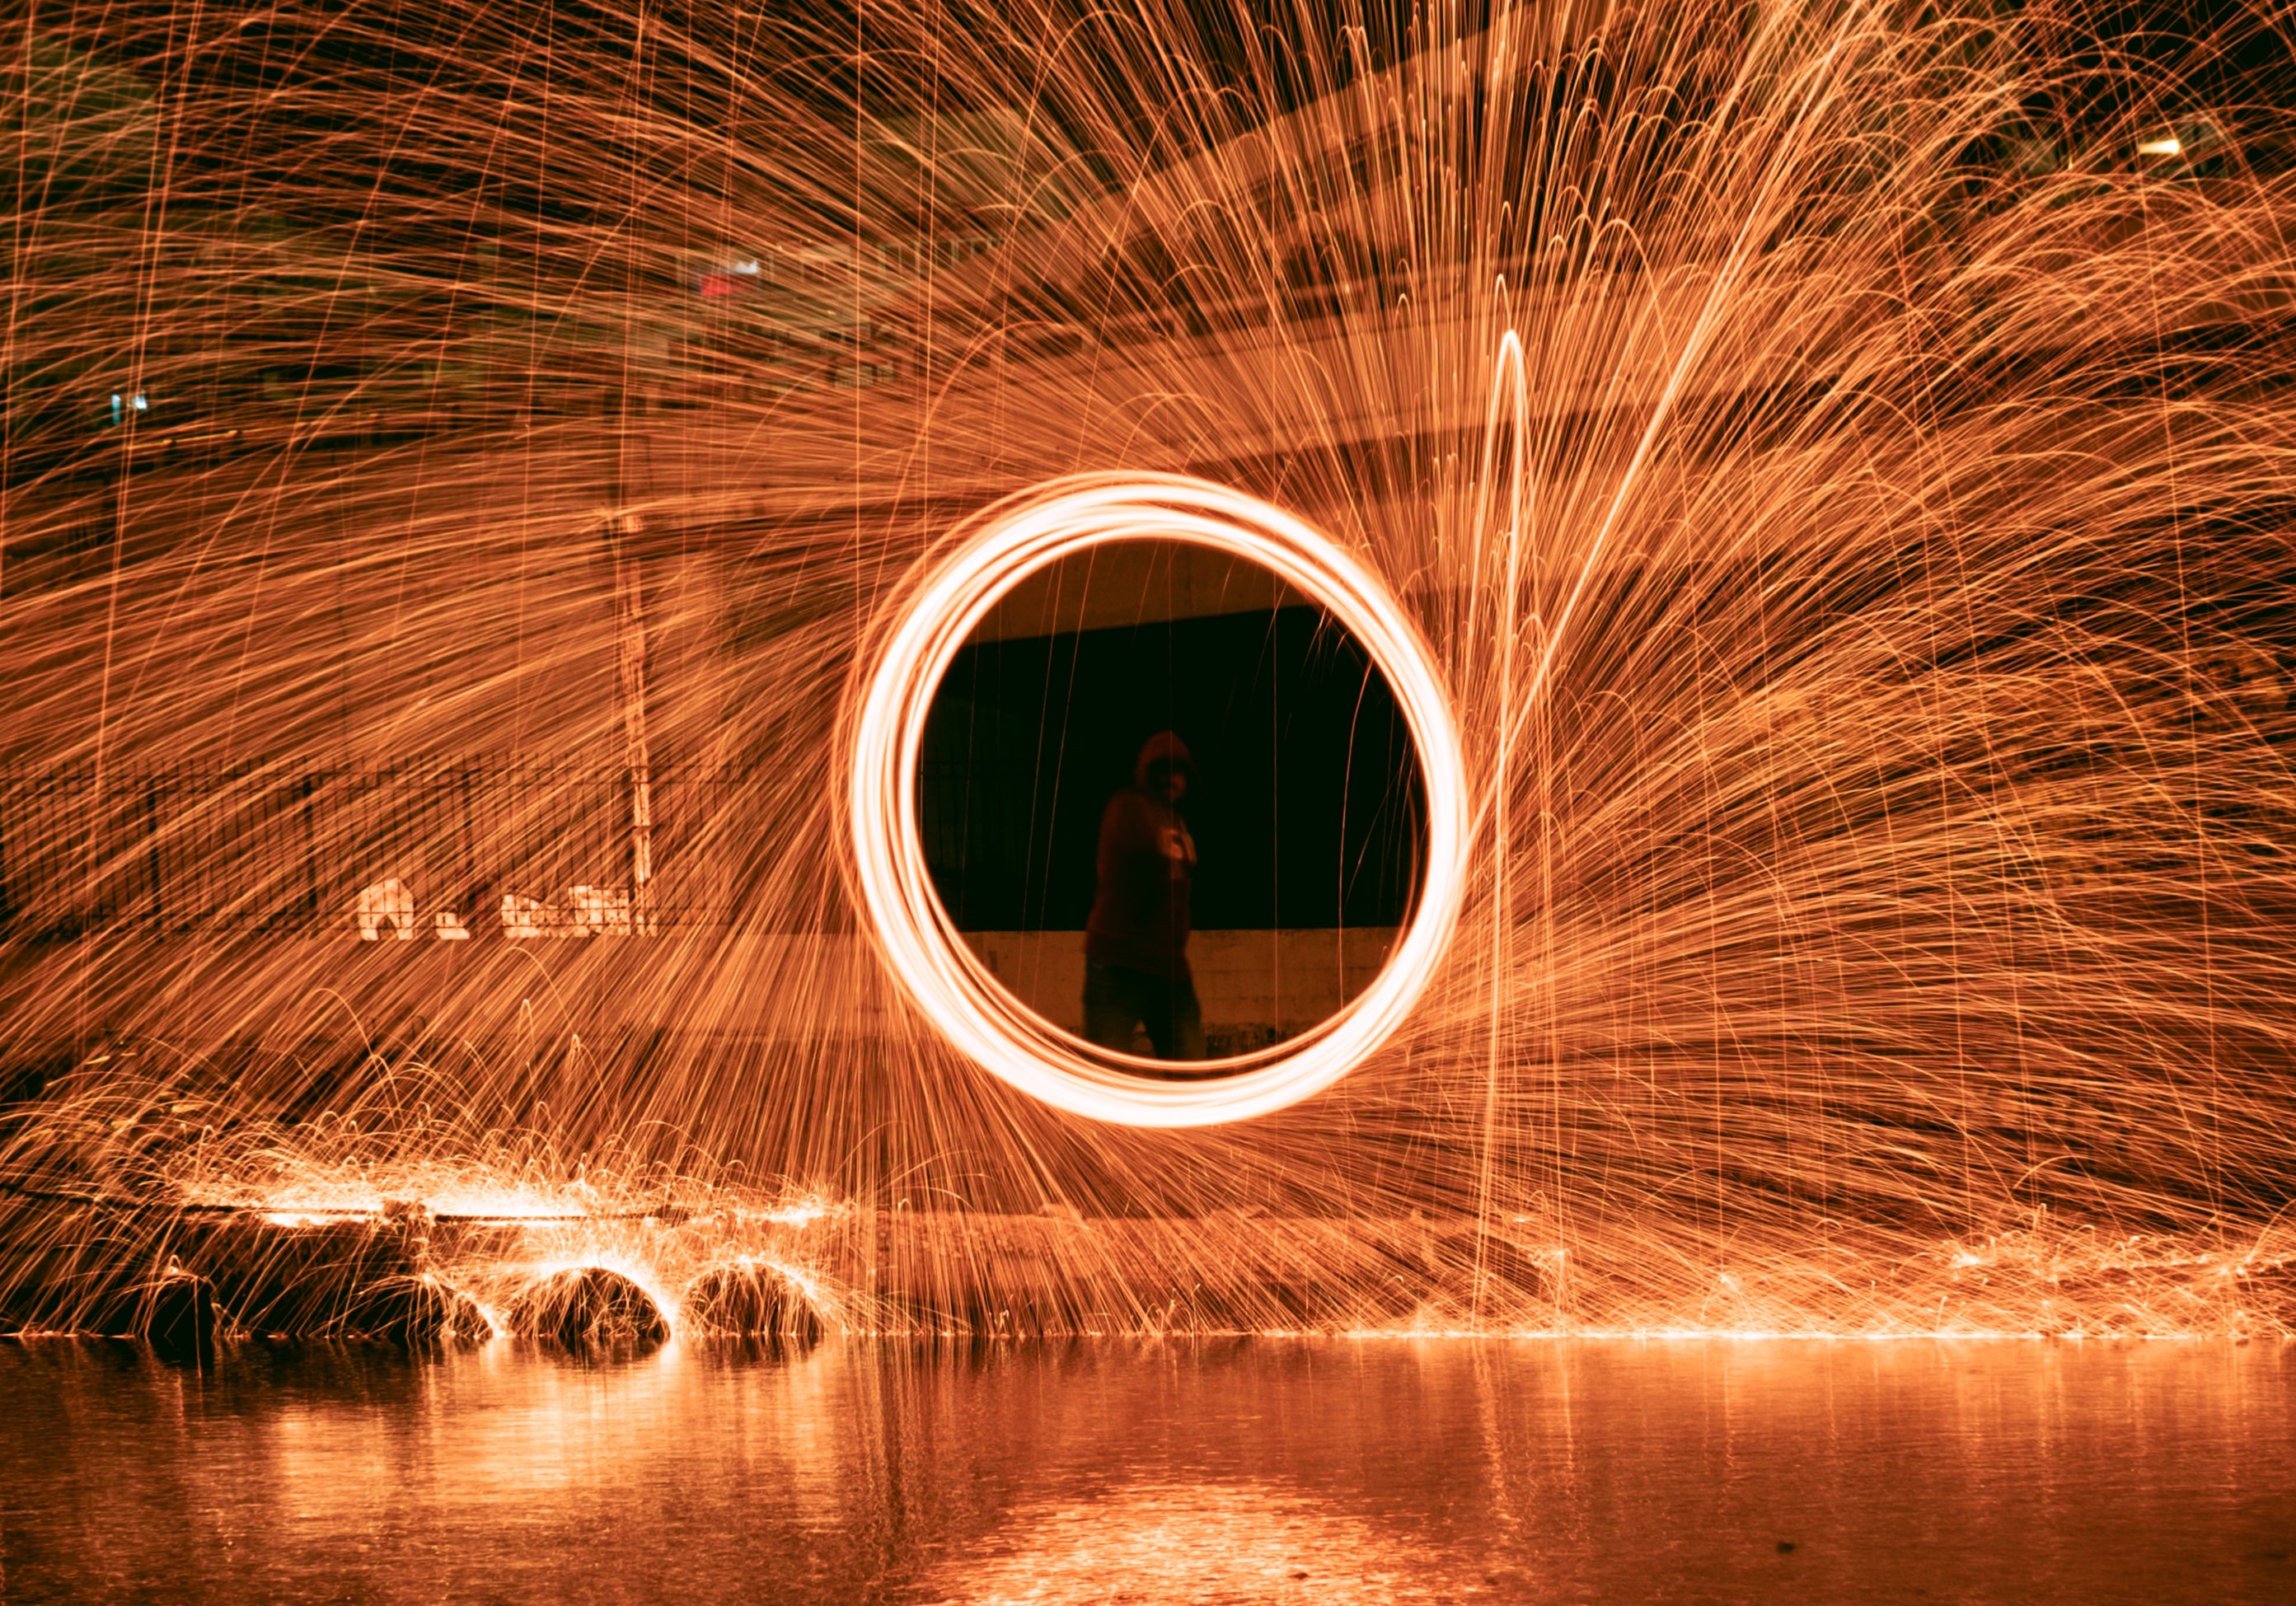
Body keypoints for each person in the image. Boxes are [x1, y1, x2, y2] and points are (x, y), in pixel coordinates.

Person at [1082, 731, 1207, 1061]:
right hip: (1119, 965)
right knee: (1106, 1073)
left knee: (1191, 1070)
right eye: (1161, 770)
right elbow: (1135, 866)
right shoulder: (1126, 808)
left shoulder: (1176, 821)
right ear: (1146, 773)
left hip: (1169, 970)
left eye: (1178, 772)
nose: (1170, 779)